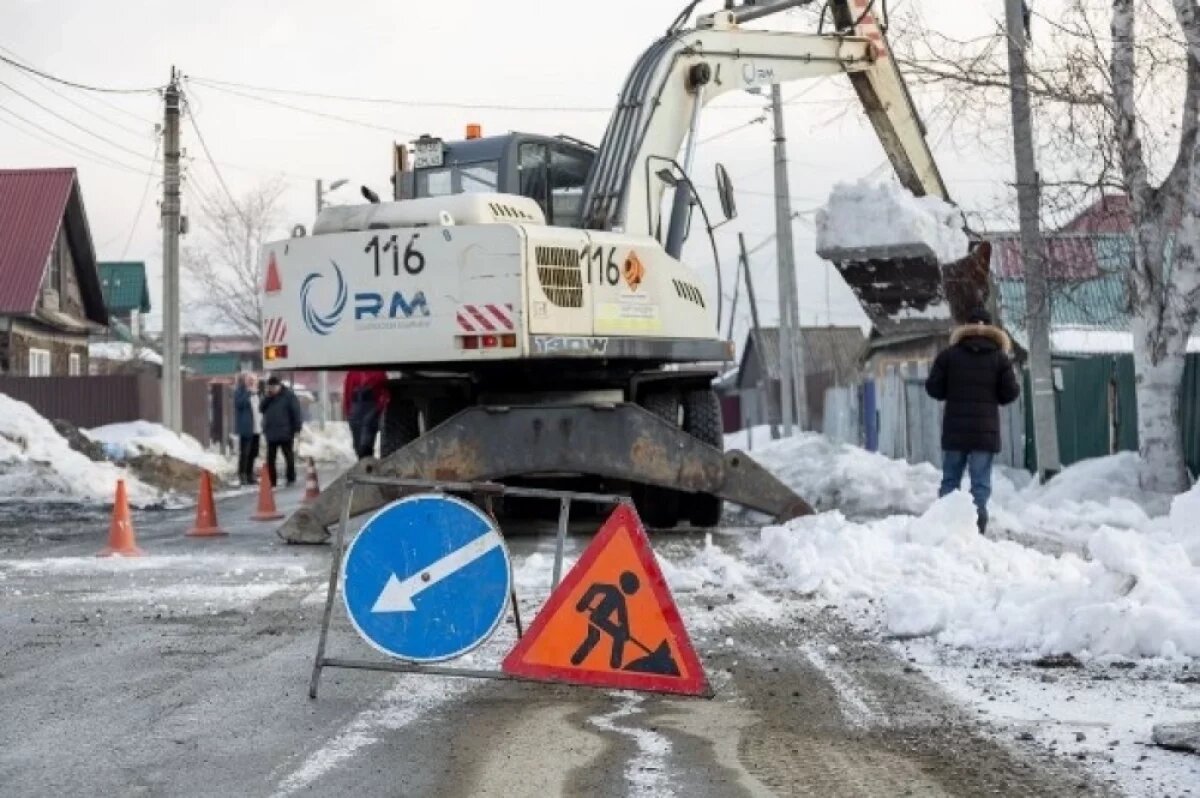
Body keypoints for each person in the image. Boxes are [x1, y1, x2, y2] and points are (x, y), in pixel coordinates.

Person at [925, 307, 1021, 534]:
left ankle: (946, 525)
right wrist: (992, 395)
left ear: (965, 328)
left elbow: (933, 388)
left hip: (955, 429)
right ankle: (978, 526)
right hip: (984, 431)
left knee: (950, 479)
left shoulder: (949, 356)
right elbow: (1011, 393)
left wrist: (952, 390)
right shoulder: (1000, 359)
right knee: (980, 482)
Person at [260, 376, 304, 487]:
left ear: (279, 386)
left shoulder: (289, 396)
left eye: (274, 387)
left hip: (286, 432)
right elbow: (261, 408)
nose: (272, 389)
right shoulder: (268, 397)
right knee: (270, 458)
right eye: (270, 387)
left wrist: (297, 428)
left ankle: (290, 477)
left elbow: (296, 412)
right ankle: (272, 480)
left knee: (288, 456)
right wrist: (268, 397)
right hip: (271, 432)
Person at [343, 370, 390, 459]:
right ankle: (363, 463)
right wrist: (348, 412)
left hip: (371, 408)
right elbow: (347, 392)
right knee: (358, 444)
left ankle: (366, 461)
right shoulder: (352, 373)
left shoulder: (379, 373)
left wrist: (379, 407)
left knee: (366, 442)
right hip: (356, 408)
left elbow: (384, 392)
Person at [232, 372, 261, 485]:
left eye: (253, 380)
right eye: (249, 380)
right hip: (246, 427)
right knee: (245, 452)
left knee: (254, 452)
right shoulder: (240, 391)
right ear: (244, 381)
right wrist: (248, 393)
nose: (252, 382)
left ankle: (250, 474)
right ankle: (242, 474)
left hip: (256, 427)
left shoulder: (257, 392)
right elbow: (239, 404)